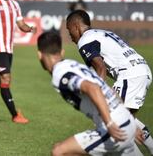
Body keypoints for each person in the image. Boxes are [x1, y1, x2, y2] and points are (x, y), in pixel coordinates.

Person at [37, 31, 142, 156]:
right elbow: (106, 88)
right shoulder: (73, 65)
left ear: (40, 55)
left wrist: (109, 122)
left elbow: (93, 88)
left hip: (115, 127)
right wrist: (130, 122)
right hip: (125, 121)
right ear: (62, 52)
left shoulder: (59, 73)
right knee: (62, 149)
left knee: (59, 151)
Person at [66, 9, 153, 155]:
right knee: (126, 119)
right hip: (142, 70)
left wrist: (97, 94)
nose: (71, 37)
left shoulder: (85, 40)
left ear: (76, 26)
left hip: (129, 75)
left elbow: (100, 68)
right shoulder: (100, 33)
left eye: (70, 32)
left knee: (116, 123)